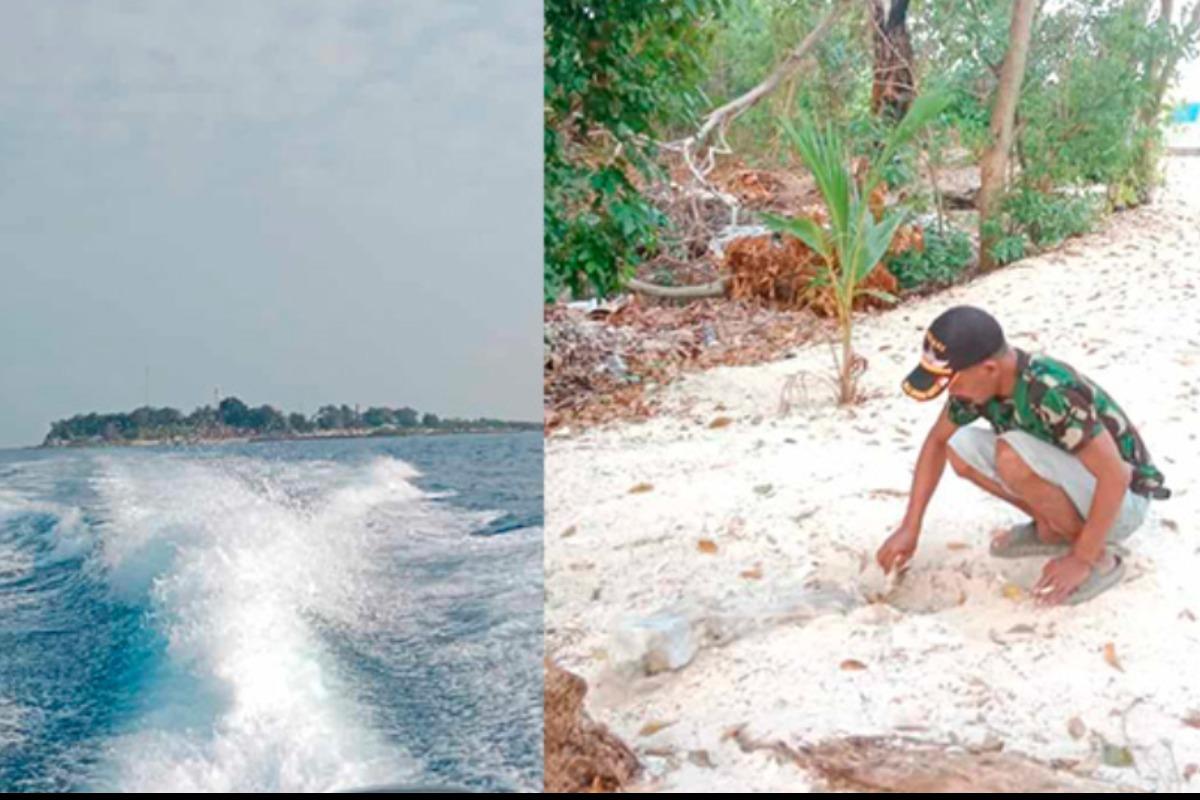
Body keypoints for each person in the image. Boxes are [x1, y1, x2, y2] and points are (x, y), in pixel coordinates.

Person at [875, 305, 1170, 605]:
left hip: (1122, 502)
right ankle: (1053, 528)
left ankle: (1098, 558)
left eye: (952, 382)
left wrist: (1081, 559)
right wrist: (910, 526)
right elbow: (937, 442)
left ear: (989, 369)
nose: (951, 393)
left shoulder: (1049, 391)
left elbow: (1115, 475)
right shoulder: (980, 386)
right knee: (958, 446)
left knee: (1011, 455)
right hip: (1083, 485)